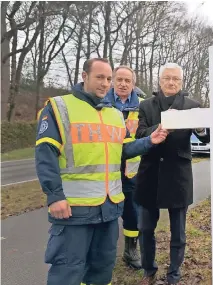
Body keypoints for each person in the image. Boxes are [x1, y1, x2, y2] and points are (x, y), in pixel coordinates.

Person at [35, 58, 169, 285]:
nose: (105, 83)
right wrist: (54, 196)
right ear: (84, 76)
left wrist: (149, 141)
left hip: (108, 209)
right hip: (74, 211)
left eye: (108, 79)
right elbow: (45, 156)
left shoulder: (114, 114)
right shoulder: (59, 107)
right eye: (100, 77)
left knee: (102, 269)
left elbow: (123, 149)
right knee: (68, 270)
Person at [134, 62, 210, 285]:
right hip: (150, 174)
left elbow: (206, 137)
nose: (171, 82)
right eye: (167, 78)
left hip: (178, 175)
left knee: (178, 232)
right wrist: (159, 128)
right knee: (146, 229)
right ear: (160, 81)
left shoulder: (193, 105)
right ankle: (149, 271)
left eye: (175, 79)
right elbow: (140, 134)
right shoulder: (146, 106)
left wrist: (199, 128)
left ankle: (174, 275)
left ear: (181, 82)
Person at [104, 65, 143, 269]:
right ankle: (103, 255)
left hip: (131, 171)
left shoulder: (142, 106)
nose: (123, 84)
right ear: (112, 81)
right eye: (119, 79)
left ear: (133, 84)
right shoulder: (101, 103)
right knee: (105, 211)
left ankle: (130, 250)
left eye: (127, 81)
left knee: (132, 213)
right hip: (105, 169)